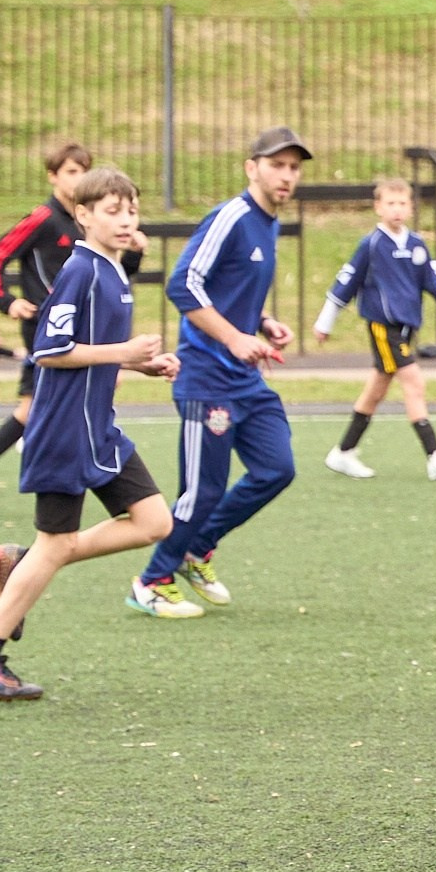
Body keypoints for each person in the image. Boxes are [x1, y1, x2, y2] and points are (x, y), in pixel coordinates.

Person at [0, 168, 183, 701]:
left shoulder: (113, 272)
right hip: (64, 432)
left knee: (153, 522)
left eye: (131, 210)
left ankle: (24, 560)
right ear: (82, 215)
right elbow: (50, 352)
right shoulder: (80, 271)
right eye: (112, 211)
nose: (126, 221)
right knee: (56, 546)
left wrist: (139, 368)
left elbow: (90, 356)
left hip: (98, 428)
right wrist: (124, 354)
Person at [130, 127, 303, 617]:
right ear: (252, 168)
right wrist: (233, 337)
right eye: (278, 165)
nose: (287, 175)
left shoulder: (268, 223)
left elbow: (228, 290)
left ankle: (195, 546)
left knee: (277, 469)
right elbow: (182, 285)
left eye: (293, 167)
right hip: (206, 380)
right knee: (202, 489)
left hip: (246, 381)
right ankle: (151, 580)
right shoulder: (231, 216)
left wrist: (263, 323)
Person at [0, 143, 141, 517]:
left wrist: (134, 252)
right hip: (47, 330)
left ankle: (2, 459)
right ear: (53, 177)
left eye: (84, 170)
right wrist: (6, 301)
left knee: (44, 406)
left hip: (81, 332)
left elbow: (109, 281)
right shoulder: (44, 218)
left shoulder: (92, 228)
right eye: (70, 172)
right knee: (34, 407)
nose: (79, 178)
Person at [316, 177, 436, 481]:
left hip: (407, 327)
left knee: (376, 390)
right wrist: (325, 322)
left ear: (411, 207)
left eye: (402, 203)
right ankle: (434, 455)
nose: (397, 209)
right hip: (383, 326)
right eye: (390, 203)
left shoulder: (417, 245)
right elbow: (345, 283)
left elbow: (435, 280)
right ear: (378, 207)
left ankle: (343, 452)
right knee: (414, 382)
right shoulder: (371, 245)